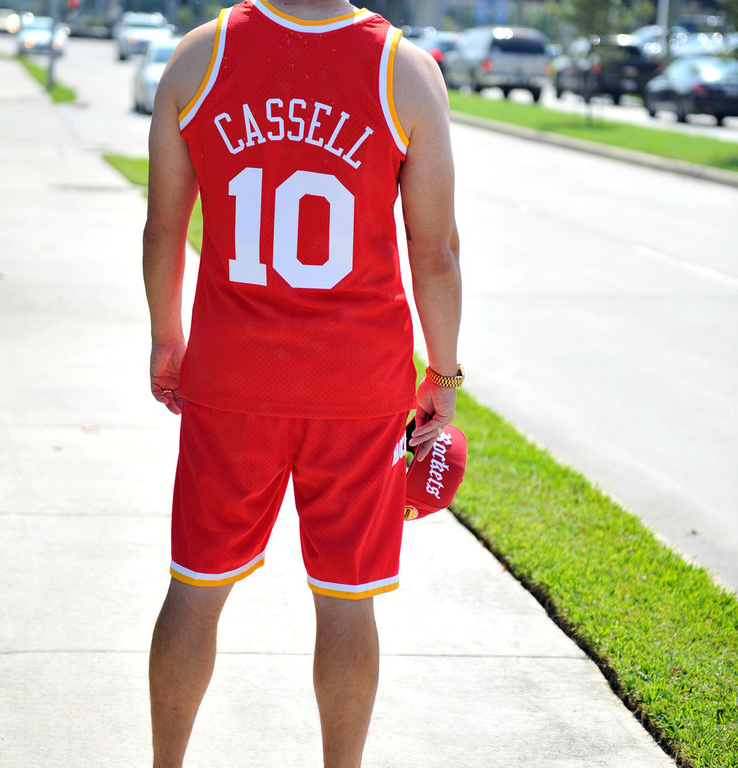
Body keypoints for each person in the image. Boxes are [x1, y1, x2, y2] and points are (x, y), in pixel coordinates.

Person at [142, 0, 462, 765]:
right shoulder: (404, 70)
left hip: (231, 376)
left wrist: (166, 337)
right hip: (360, 386)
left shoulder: (199, 55)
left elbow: (163, 226)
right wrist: (443, 375)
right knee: (348, 602)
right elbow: (437, 250)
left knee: (196, 586)